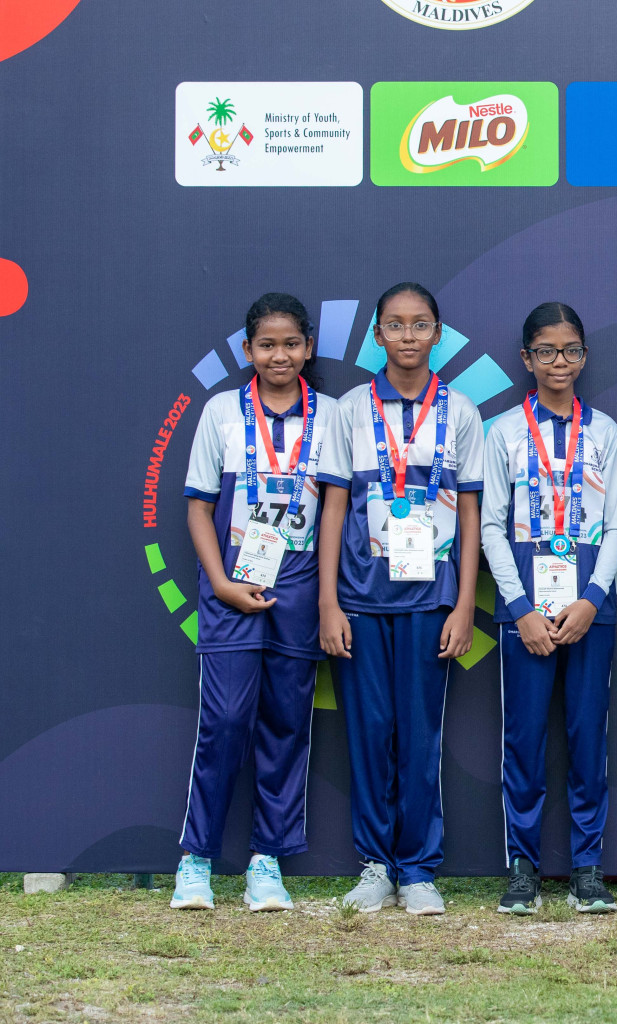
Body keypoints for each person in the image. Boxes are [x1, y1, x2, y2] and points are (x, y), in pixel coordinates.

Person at [317, 282, 483, 916]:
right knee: (369, 733)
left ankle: (417, 868)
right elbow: (333, 507)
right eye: (396, 325)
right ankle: (375, 865)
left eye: (420, 325)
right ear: (378, 336)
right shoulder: (350, 409)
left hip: (430, 602)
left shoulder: (461, 411)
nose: (408, 336)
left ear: (437, 333)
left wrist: (465, 603)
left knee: (419, 737)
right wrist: (330, 602)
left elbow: (469, 513)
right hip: (359, 600)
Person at [174, 293, 337, 912]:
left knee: (287, 725)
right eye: (267, 344)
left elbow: (334, 514)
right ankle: (196, 861)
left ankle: (266, 861)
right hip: (230, 587)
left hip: (297, 587)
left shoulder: (331, 417)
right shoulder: (220, 411)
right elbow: (197, 506)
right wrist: (217, 583)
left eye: (291, 343)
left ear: (308, 348)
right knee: (224, 724)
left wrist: (323, 597)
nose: (279, 355)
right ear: (248, 350)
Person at [481, 303, 617, 915]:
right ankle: (523, 866)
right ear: (527, 359)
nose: (559, 362)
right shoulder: (503, 432)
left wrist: (592, 600)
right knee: (523, 739)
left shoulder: (605, 432)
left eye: (570, 350)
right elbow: (490, 524)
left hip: (589, 610)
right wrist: (519, 609)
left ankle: (588, 866)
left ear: (584, 356)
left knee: (585, 736)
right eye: (546, 351)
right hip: (526, 613)